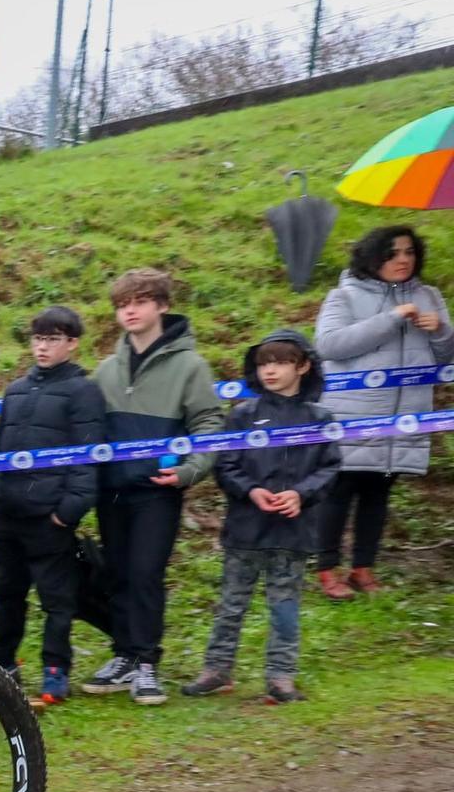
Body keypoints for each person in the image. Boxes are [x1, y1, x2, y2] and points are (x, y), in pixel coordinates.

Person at [81, 268, 223, 706]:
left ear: (162, 305)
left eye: (140, 301)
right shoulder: (106, 369)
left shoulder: (191, 366)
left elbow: (211, 423)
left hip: (157, 492)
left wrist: (188, 472)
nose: (130, 310)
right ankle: (123, 656)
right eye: (123, 304)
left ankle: (146, 662)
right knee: (118, 573)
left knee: (145, 574)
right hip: (112, 491)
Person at [181, 331, 340, 704]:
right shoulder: (242, 415)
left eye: (280, 362)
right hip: (245, 530)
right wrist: (250, 490)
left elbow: (330, 467)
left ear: (302, 366)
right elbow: (226, 464)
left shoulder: (320, 418)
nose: (270, 370)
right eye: (263, 363)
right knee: (230, 603)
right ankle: (217, 669)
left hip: (293, 532)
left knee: (284, 607)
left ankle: (281, 677)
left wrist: (301, 494)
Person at [312, 225, 454, 598]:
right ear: (372, 257)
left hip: (405, 417)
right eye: (392, 253)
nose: (403, 259)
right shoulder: (343, 296)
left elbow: (445, 358)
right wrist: (391, 318)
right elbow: (329, 345)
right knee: (340, 491)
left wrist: (440, 331)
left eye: (408, 252)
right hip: (351, 417)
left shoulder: (430, 296)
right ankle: (326, 569)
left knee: (378, 493)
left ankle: (363, 568)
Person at [0, 307, 104, 705]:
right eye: (38, 338)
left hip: (50, 517)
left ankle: (56, 672)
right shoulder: (16, 390)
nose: (43, 346)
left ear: (72, 343)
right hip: (8, 514)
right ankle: (1, 667)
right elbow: (1, 450)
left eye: (53, 339)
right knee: (6, 594)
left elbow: (88, 455)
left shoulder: (83, 391)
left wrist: (69, 509)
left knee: (57, 600)